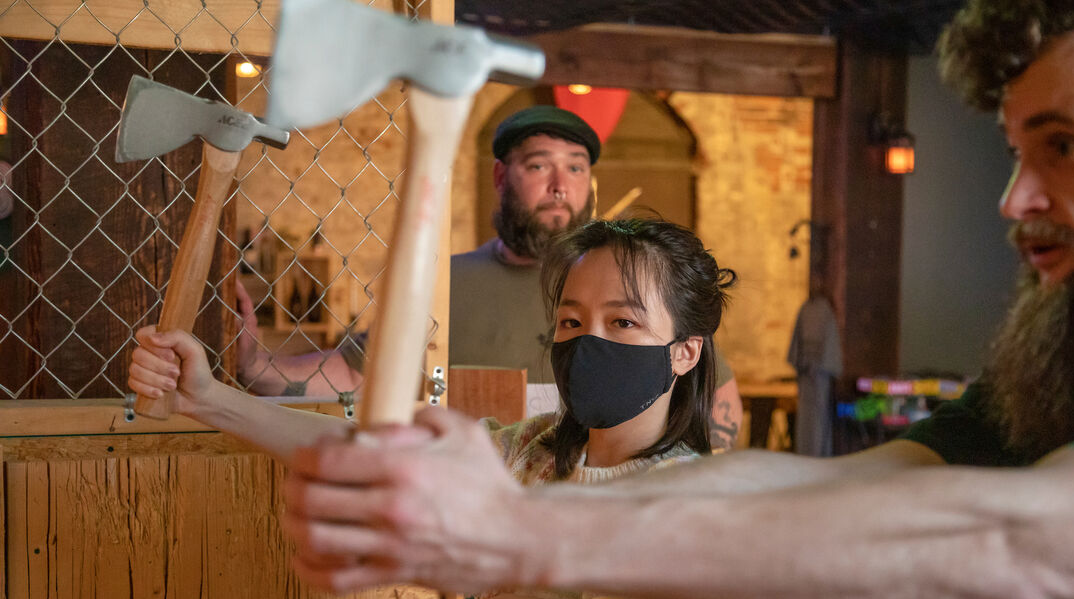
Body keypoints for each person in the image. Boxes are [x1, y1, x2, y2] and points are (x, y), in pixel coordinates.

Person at [278, 2, 1074, 599]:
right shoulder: (1055, 371)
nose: (1015, 198)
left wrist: (516, 532)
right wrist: (514, 506)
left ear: (684, 349)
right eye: (1015, 151)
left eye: (1066, 146)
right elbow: (844, 482)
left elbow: (1017, 545)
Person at [128, 217, 756, 599]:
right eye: (570, 322)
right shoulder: (528, 455)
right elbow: (371, 454)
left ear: (685, 351)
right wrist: (207, 399)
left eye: (622, 323)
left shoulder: (683, 505)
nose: (589, 343)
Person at [235, 104, 745, 449]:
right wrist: (255, 365)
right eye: (539, 166)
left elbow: (717, 401)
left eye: (575, 168)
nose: (559, 185)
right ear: (502, 177)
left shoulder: (639, 287)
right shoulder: (446, 285)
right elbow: (353, 373)